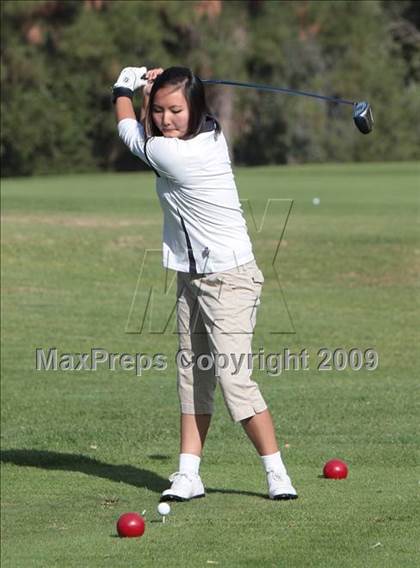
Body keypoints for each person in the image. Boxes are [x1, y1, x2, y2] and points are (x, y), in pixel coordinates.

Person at [112, 66, 297, 501]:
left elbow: (127, 130)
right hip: (190, 275)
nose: (165, 119)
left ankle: (277, 473)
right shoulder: (197, 135)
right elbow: (146, 130)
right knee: (193, 375)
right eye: (158, 110)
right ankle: (188, 475)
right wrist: (151, 91)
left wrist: (125, 84)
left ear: (195, 108)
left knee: (234, 380)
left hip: (228, 279)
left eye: (175, 109)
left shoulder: (182, 154)